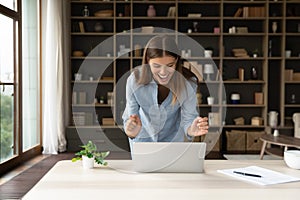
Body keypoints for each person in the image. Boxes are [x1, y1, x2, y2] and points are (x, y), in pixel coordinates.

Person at [122, 35, 208, 147]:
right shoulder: (134, 81)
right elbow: (131, 119)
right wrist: (131, 130)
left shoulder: (188, 83)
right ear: (148, 61)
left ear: (177, 61)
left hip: (172, 145)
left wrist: (192, 129)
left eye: (170, 65)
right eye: (157, 66)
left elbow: (189, 119)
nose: (163, 72)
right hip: (143, 144)